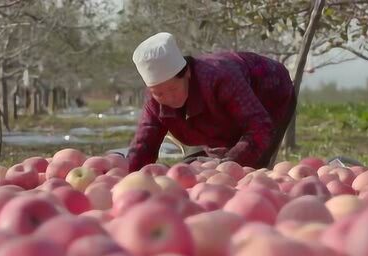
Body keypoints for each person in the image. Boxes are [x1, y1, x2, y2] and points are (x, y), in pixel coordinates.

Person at [122, 32, 296, 172]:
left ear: (187, 73)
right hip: (223, 112)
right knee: (204, 165)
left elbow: (260, 128)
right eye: (159, 93)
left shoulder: (220, 78)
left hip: (269, 93)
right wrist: (128, 174)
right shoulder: (155, 101)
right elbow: (145, 141)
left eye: (173, 89)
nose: (169, 98)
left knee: (244, 169)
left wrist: (227, 165)